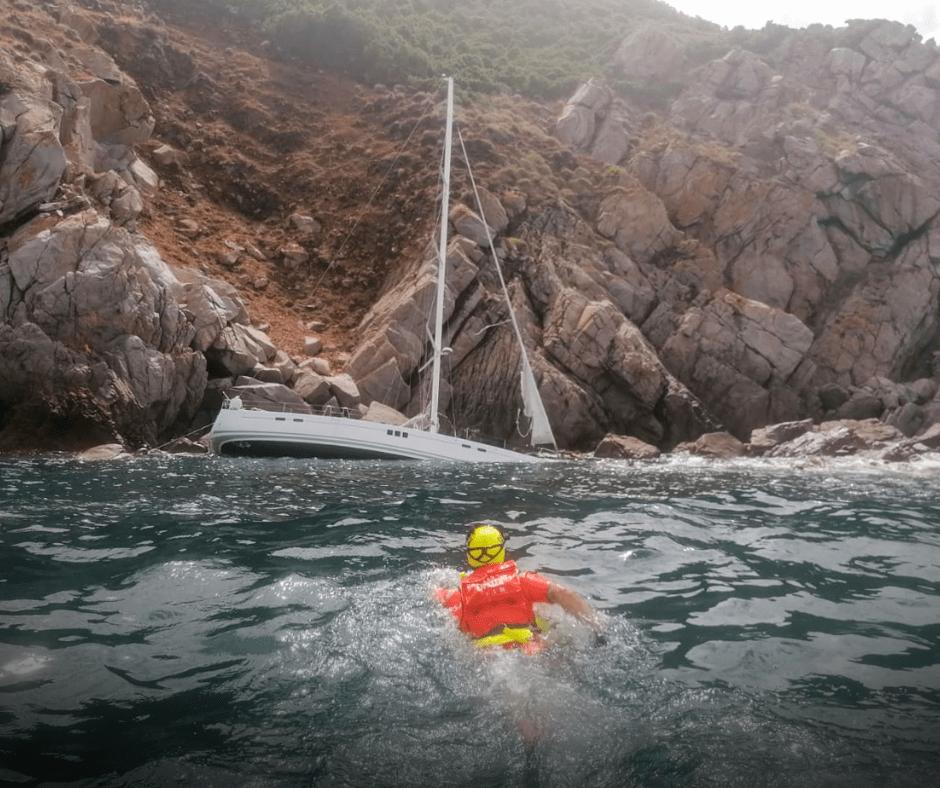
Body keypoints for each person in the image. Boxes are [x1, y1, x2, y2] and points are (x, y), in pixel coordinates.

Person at [437, 523, 602, 653]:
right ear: (502, 550)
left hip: (487, 657)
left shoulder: (458, 596)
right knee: (553, 633)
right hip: (528, 650)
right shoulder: (522, 580)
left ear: (469, 555)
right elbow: (560, 593)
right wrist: (597, 627)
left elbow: (437, 599)